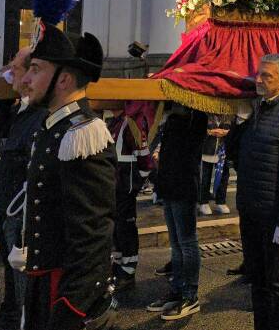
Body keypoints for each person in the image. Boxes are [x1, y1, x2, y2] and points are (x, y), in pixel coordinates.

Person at [19, 26, 118, 330]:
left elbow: (93, 232)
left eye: (35, 69)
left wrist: (71, 306)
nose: (25, 79)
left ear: (63, 78)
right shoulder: (53, 126)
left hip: (64, 290)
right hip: (43, 279)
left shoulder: (82, 134)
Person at [228, 54, 279, 330]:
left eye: (267, 76)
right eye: (259, 74)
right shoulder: (257, 109)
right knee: (258, 280)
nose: (259, 80)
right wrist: (239, 122)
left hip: (274, 216)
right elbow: (236, 154)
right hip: (251, 211)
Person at [0, 47, 45, 330]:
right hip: (7, 200)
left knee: (20, 271)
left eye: (14, 67)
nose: (8, 72)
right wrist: (4, 93)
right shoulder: (19, 107)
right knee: (8, 264)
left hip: (22, 205)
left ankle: (19, 319)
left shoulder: (38, 112)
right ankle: (10, 312)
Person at [145, 102, 205, 321]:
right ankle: (177, 289)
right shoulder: (171, 119)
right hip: (169, 185)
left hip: (184, 186)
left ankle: (190, 295)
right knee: (176, 244)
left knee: (187, 242)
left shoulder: (195, 118)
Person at [108, 101, 153, 298]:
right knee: (117, 227)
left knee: (126, 227)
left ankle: (128, 269)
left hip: (125, 186)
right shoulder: (114, 123)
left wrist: (136, 183)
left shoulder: (130, 124)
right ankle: (118, 262)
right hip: (115, 186)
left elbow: (144, 158)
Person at [199, 114, 231, 215]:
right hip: (207, 149)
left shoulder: (229, 115)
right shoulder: (204, 114)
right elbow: (197, 129)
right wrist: (209, 132)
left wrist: (226, 132)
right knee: (205, 178)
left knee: (224, 177)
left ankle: (221, 201)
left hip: (223, 151)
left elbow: (235, 130)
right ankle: (203, 202)